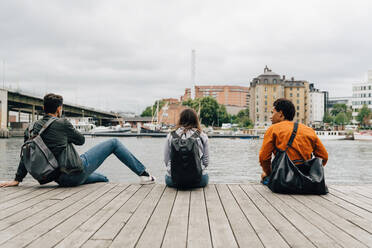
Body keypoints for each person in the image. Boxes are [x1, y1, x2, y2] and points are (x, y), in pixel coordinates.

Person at [0, 93, 155, 187]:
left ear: (44, 108)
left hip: (58, 178)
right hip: (75, 173)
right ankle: (144, 175)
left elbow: (26, 154)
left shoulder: (31, 127)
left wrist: (17, 179)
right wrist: (66, 132)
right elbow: (81, 140)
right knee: (113, 143)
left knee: (104, 178)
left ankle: (103, 181)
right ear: (59, 109)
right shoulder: (62, 123)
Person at [259, 98, 328, 183]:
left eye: (272, 113)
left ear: (280, 114)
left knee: (264, 176)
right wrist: (313, 172)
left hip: (284, 180)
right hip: (306, 179)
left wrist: (269, 173)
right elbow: (324, 156)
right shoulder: (309, 130)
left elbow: (264, 158)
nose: (270, 117)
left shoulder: (273, 129)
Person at [164, 108, 209, 188]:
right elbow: (206, 162)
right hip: (198, 180)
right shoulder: (202, 135)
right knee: (205, 176)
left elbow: (166, 160)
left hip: (174, 180)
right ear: (196, 120)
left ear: (180, 119)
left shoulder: (171, 135)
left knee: (168, 176)